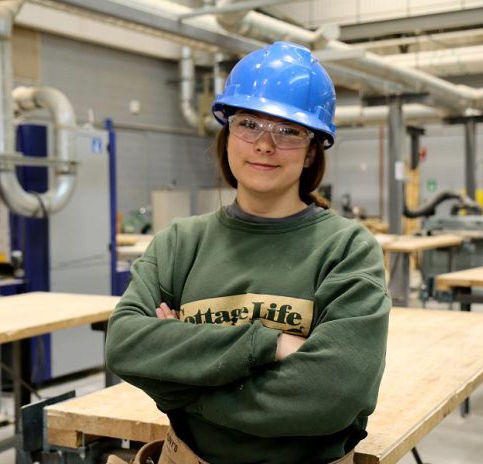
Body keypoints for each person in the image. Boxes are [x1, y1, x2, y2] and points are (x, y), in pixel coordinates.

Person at [105, 41, 391, 464]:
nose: (264, 144)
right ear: (228, 133)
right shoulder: (180, 243)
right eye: (249, 124)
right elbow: (126, 345)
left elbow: (333, 394)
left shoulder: (346, 249)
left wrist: (183, 383)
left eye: (289, 130)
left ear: (313, 148)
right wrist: (270, 346)